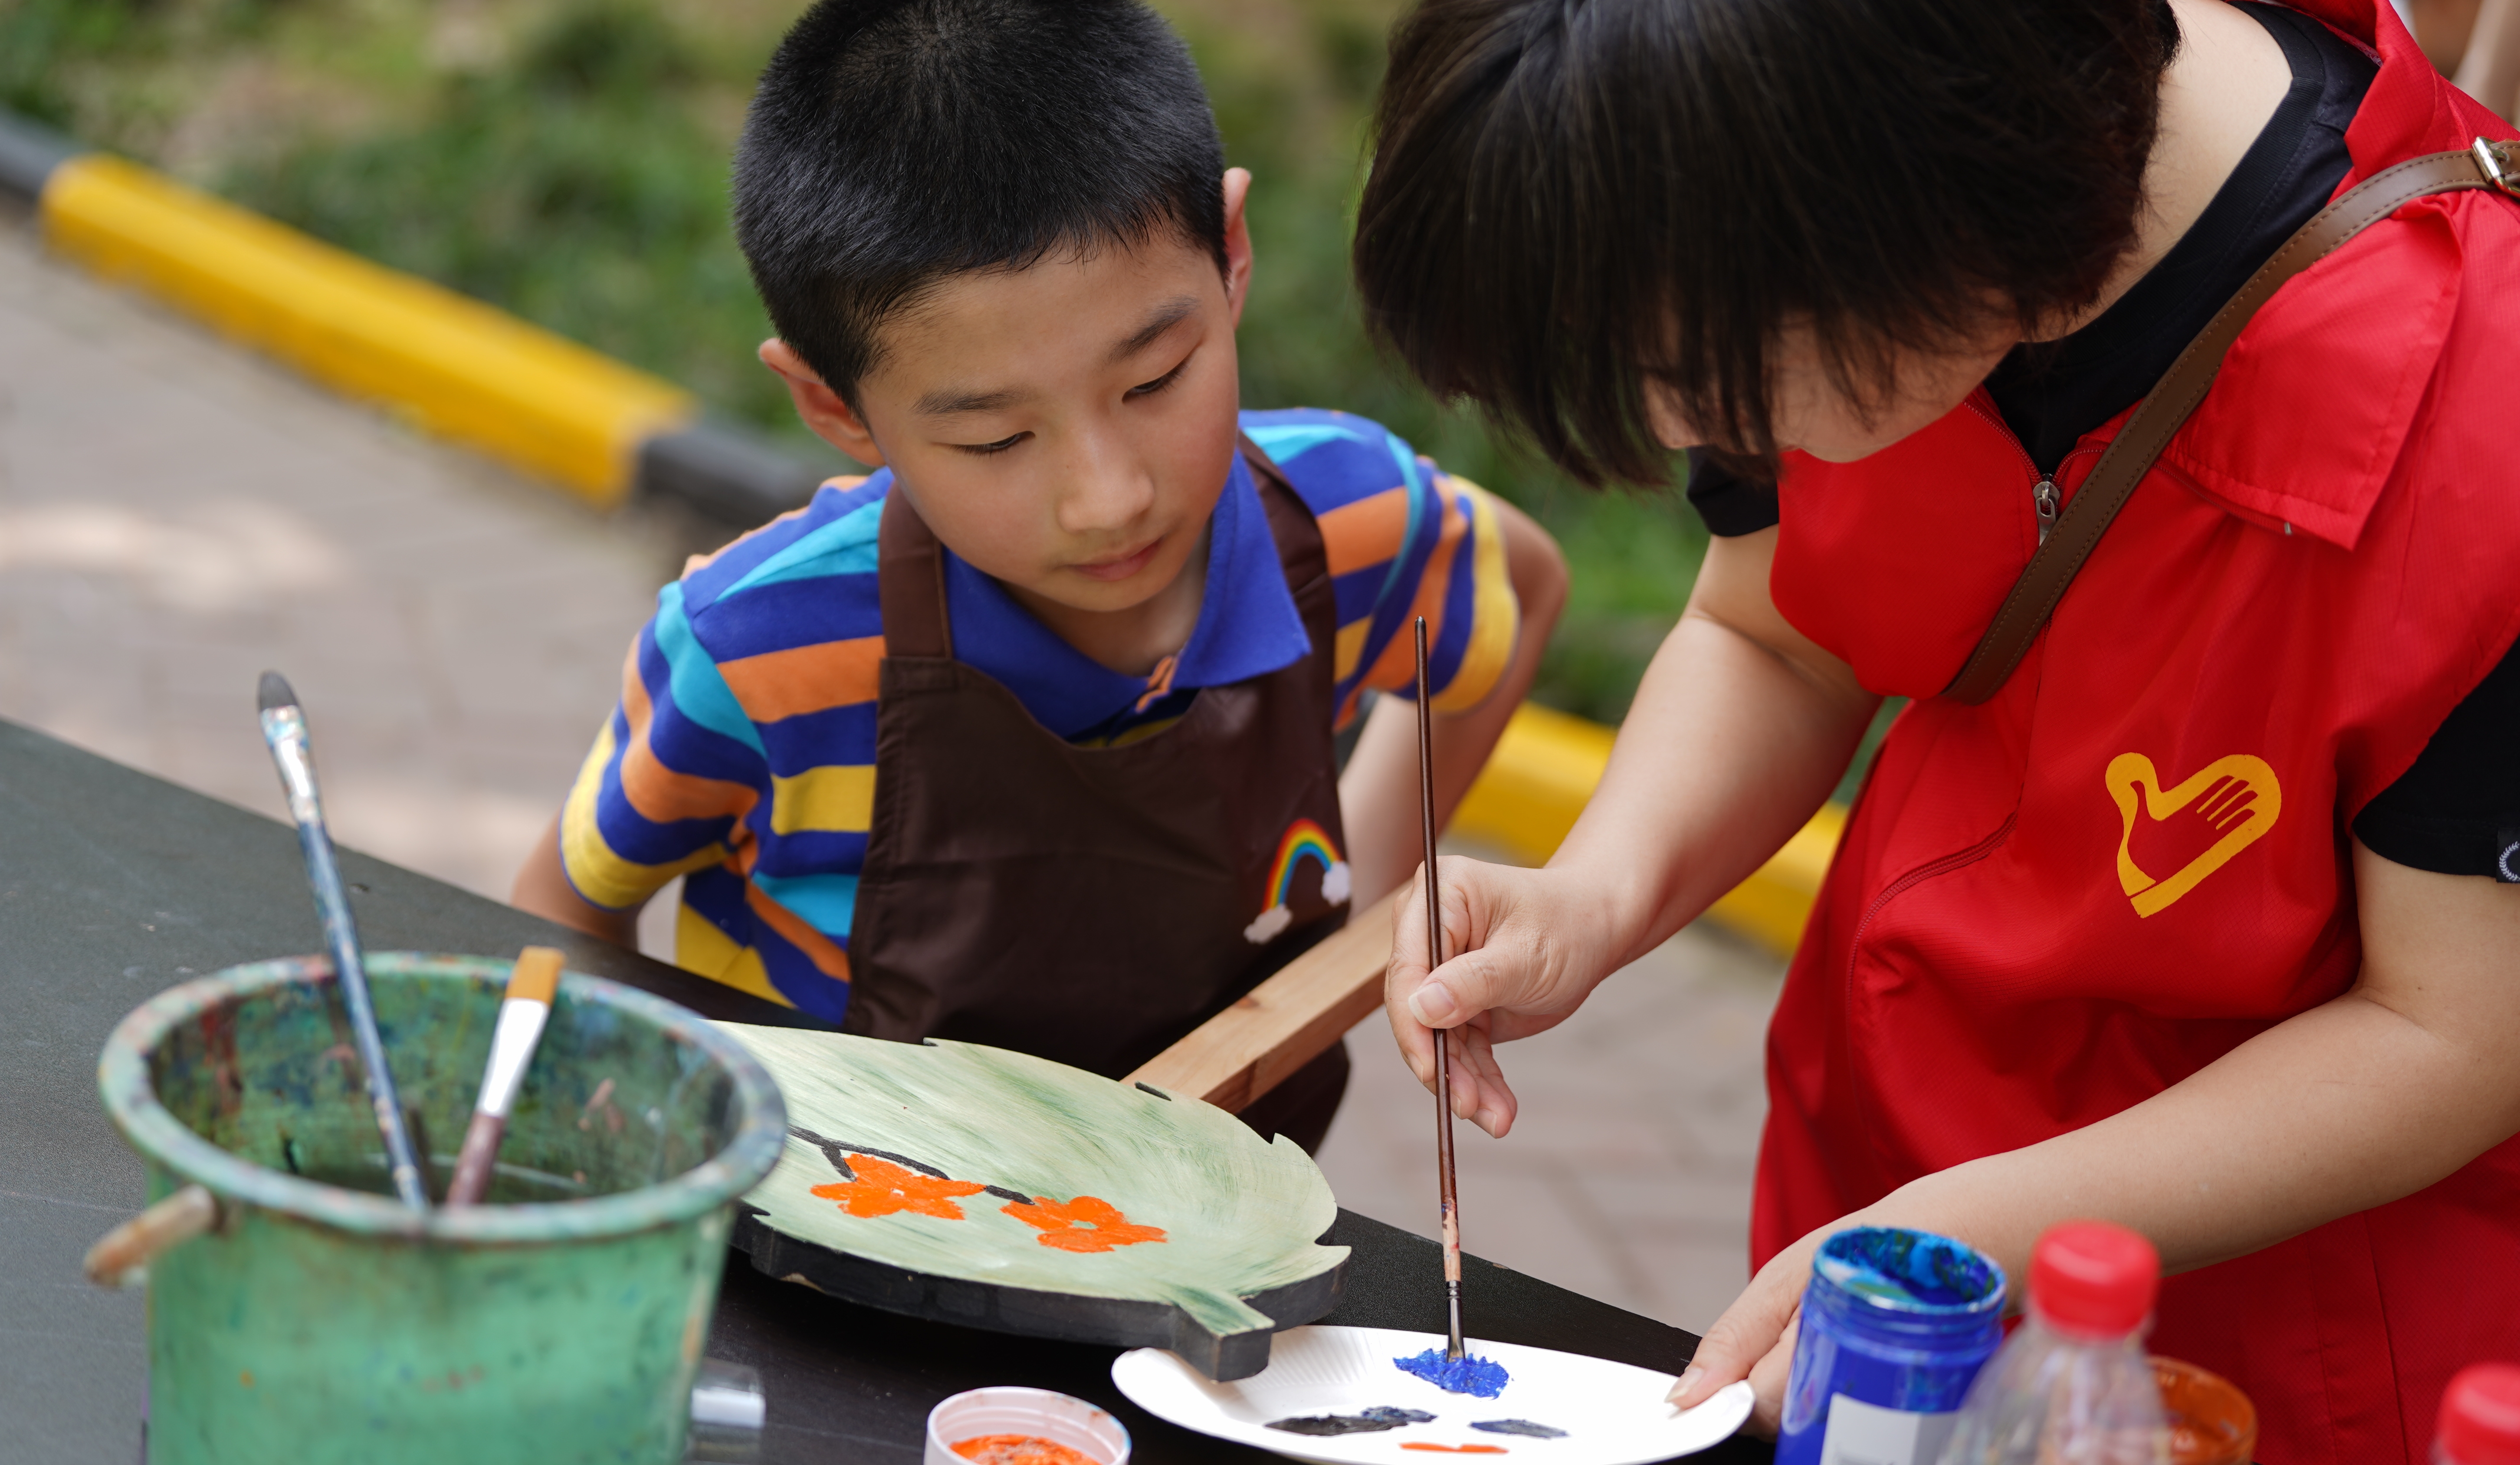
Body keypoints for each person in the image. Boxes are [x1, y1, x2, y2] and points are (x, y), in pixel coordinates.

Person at [1350, 0, 2520, 1460]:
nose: (1679, 427)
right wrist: (1596, 894)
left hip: (2274, 1357)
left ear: (1922, 202)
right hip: (1885, 1209)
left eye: (1708, 378)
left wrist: (1984, 1222)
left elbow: (2458, 1033)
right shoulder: (1784, 210)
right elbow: (1775, 633)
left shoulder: (2485, 416)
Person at [510, 0, 1566, 1152]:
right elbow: (570, 907)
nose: (1109, 496)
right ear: (832, 405)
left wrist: (1357, 904)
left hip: (1196, 1273)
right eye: (996, 441)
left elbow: (1523, 583)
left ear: (1232, 257)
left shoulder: (1350, 522)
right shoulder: (754, 650)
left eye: (1156, 378)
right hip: (820, 1277)